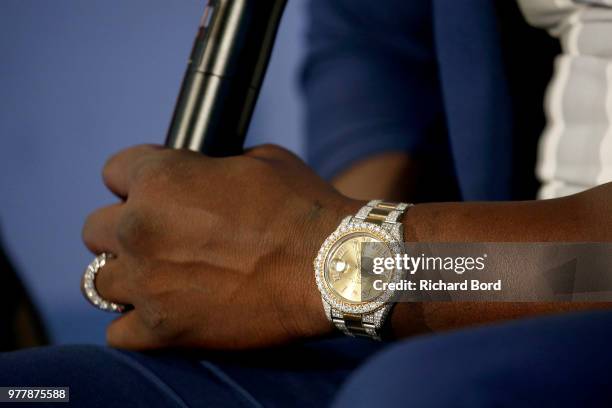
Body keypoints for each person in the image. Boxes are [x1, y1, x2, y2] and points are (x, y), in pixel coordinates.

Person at [2, 0, 612, 406]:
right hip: (465, 302)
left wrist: (337, 263)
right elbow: (377, 42)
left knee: (410, 395)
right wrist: (287, 283)